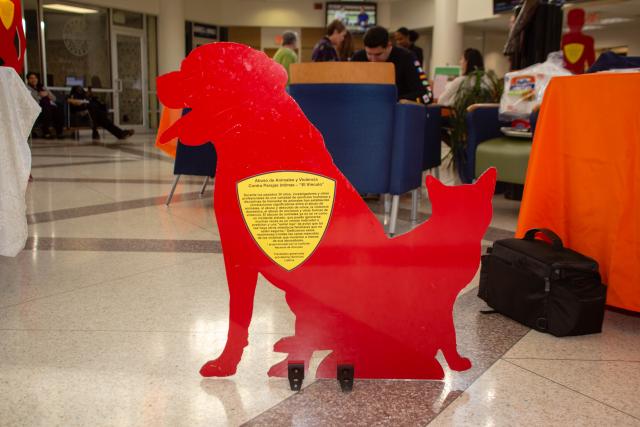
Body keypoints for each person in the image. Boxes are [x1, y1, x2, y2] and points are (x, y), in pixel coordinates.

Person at [351, 26, 432, 104]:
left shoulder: (407, 58)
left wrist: (399, 101)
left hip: (397, 111)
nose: (373, 60)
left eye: (378, 54)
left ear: (389, 46)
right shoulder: (358, 58)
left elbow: (427, 95)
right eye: (369, 54)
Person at [67, 86, 134, 140]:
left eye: (81, 89)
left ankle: (120, 134)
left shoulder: (85, 96)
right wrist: (81, 102)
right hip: (82, 116)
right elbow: (70, 100)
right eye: (78, 89)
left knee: (105, 121)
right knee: (95, 111)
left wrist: (89, 97)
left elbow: (89, 98)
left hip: (93, 115)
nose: (80, 90)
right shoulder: (72, 95)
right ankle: (97, 131)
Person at [26, 72, 64, 139]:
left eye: (35, 78)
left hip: (49, 105)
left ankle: (59, 132)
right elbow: (31, 99)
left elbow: (54, 98)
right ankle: (46, 132)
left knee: (59, 108)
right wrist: (40, 95)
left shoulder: (42, 86)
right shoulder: (27, 88)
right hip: (37, 106)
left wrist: (47, 94)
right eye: (31, 78)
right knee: (46, 108)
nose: (33, 79)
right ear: (28, 80)